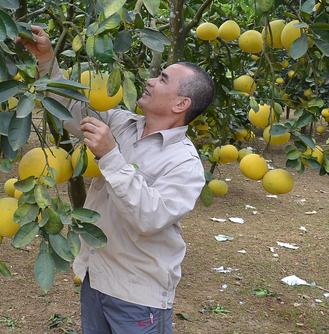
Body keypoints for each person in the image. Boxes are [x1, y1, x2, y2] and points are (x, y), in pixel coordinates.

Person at [17, 25, 215, 334]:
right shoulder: (122, 123)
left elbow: (151, 217)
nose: (149, 80)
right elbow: (70, 108)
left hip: (138, 295)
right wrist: (46, 60)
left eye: (162, 79)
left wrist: (110, 156)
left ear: (181, 104)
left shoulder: (184, 162)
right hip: (96, 278)